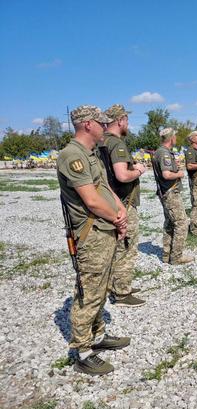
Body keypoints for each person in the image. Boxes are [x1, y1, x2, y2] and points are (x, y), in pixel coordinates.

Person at [57, 105, 129, 375]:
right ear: (88, 124)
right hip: (92, 232)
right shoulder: (71, 155)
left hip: (104, 228)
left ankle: (98, 336)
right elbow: (91, 200)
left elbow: (104, 186)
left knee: (101, 285)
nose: (105, 126)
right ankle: (83, 350)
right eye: (101, 122)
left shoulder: (90, 154)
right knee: (89, 290)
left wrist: (119, 207)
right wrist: (118, 218)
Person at [100, 104, 145, 307]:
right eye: (127, 120)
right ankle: (122, 292)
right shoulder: (117, 144)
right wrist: (139, 170)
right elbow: (121, 175)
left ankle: (116, 284)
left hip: (109, 201)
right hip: (123, 202)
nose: (128, 124)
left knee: (116, 245)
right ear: (120, 120)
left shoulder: (102, 142)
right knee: (127, 247)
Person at [152, 128, 194, 265]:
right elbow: (167, 175)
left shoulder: (160, 152)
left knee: (170, 223)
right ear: (171, 138)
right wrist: (180, 174)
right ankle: (176, 257)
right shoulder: (164, 153)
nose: (176, 138)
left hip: (165, 192)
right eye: (175, 136)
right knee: (181, 223)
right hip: (170, 192)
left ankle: (166, 255)